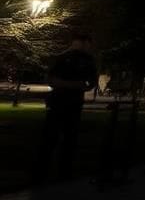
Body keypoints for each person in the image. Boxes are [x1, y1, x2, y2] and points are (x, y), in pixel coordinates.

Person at [33, 32, 98, 182]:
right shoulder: (71, 59)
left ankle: (49, 170)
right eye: (88, 44)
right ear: (83, 42)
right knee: (58, 137)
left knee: (60, 138)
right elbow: (52, 80)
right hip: (64, 103)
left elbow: (89, 83)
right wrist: (75, 85)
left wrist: (68, 85)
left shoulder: (83, 60)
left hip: (65, 103)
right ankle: (54, 169)